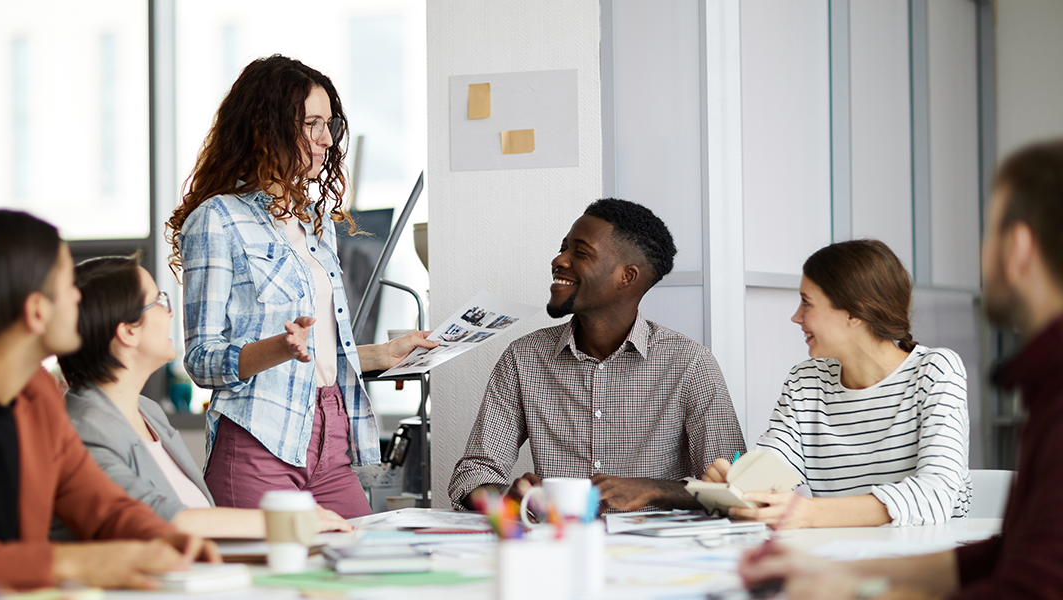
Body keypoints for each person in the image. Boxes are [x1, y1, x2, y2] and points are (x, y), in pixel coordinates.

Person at [738, 139, 1063, 599]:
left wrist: (855, 590)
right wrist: (743, 483)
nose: (795, 317)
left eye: (989, 231)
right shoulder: (1045, 384)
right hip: (849, 553)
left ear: (1020, 247)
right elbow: (1009, 556)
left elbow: (1029, 584)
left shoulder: (947, 373)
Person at [0, 210, 218, 597]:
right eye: (69, 286)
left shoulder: (37, 396)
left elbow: (97, 501)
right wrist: (72, 562)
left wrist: (166, 539)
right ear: (36, 311)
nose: (80, 298)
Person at [166, 55, 434, 519]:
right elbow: (202, 361)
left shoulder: (316, 225)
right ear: (265, 127)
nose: (326, 140)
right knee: (270, 587)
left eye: (329, 125)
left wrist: (380, 356)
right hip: (258, 440)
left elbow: (317, 350)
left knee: (358, 572)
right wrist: (277, 348)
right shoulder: (217, 219)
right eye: (312, 124)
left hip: (331, 437)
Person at [448, 198, 746, 512]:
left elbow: (733, 489)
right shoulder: (523, 358)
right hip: (557, 545)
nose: (559, 260)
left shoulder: (690, 363)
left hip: (655, 555)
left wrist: (655, 491)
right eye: (563, 247)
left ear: (626, 277)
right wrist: (507, 495)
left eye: (580, 252)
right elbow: (473, 474)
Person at [56, 255, 352, 539]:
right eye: (159, 302)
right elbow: (154, 517)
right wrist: (287, 522)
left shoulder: (147, 412)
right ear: (127, 332)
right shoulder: (82, 431)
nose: (170, 311)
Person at [702, 240, 971, 528]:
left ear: (854, 312)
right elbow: (772, 471)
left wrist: (809, 513)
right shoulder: (805, 382)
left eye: (806, 302)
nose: (796, 317)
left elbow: (936, 493)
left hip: (928, 560)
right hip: (836, 559)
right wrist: (740, 487)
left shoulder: (935, 370)